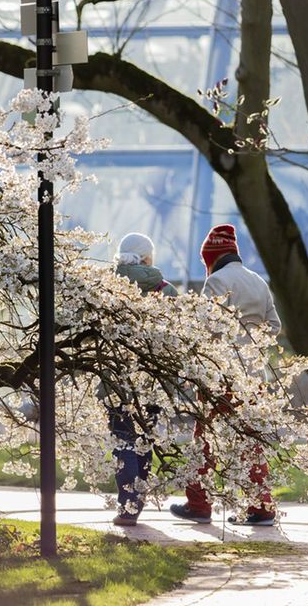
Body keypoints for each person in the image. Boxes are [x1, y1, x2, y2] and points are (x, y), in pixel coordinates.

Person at [169, 224, 282, 526]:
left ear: (212, 256)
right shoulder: (258, 281)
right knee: (250, 441)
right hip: (254, 377)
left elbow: (207, 327)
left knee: (204, 440)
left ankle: (199, 504)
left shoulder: (217, 281)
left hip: (223, 376)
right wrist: (251, 341)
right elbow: (274, 326)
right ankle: (261, 507)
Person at [108, 232, 177, 526]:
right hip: (152, 379)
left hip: (117, 377)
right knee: (144, 439)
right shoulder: (165, 290)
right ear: (148, 258)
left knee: (122, 439)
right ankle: (136, 502)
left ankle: (128, 505)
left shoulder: (106, 287)